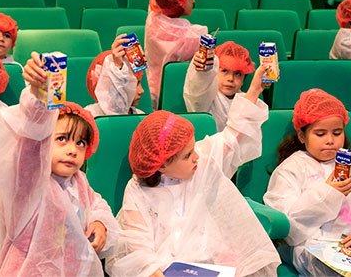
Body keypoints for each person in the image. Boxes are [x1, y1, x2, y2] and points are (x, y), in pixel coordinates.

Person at [105, 65, 281, 277]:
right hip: (163, 268)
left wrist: (254, 89)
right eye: (187, 155)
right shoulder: (138, 189)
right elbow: (138, 247)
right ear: (161, 165)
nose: (196, 156)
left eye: (193, 148)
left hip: (210, 261)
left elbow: (233, 136)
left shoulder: (202, 163)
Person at [0, 55, 119, 276]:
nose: (72, 149)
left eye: (81, 143)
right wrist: (39, 97)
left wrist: (100, 223)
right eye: (62, 139)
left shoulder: (79, 180)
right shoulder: (29, 183)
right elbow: (30, 141)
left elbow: (97, 204)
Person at [263, 89, 351, 276]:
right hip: (310, 246)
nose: (330, 141)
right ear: (302, 136)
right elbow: (288, 223)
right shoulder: (292, 168)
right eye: (320, 134)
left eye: (337, 133)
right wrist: (327, 193)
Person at [145, 0, 207, 109]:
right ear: (177, 2)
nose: (193, 1)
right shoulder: (190, 38)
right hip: (176, 95)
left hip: (153, 89)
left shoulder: (153, 19)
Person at [184, 41, 257, 131]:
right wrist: (203, 72)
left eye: (237, 74)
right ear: (214, 71)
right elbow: (197, 89)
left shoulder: (245, 100)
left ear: (243, 79)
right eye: (224, 71)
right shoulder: (206, 97)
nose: (230, 78)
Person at [86, 34, 145, 117]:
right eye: (135, 84)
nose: (142, 91)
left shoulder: (140, 116)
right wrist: (117, 69)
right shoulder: (89, 116)